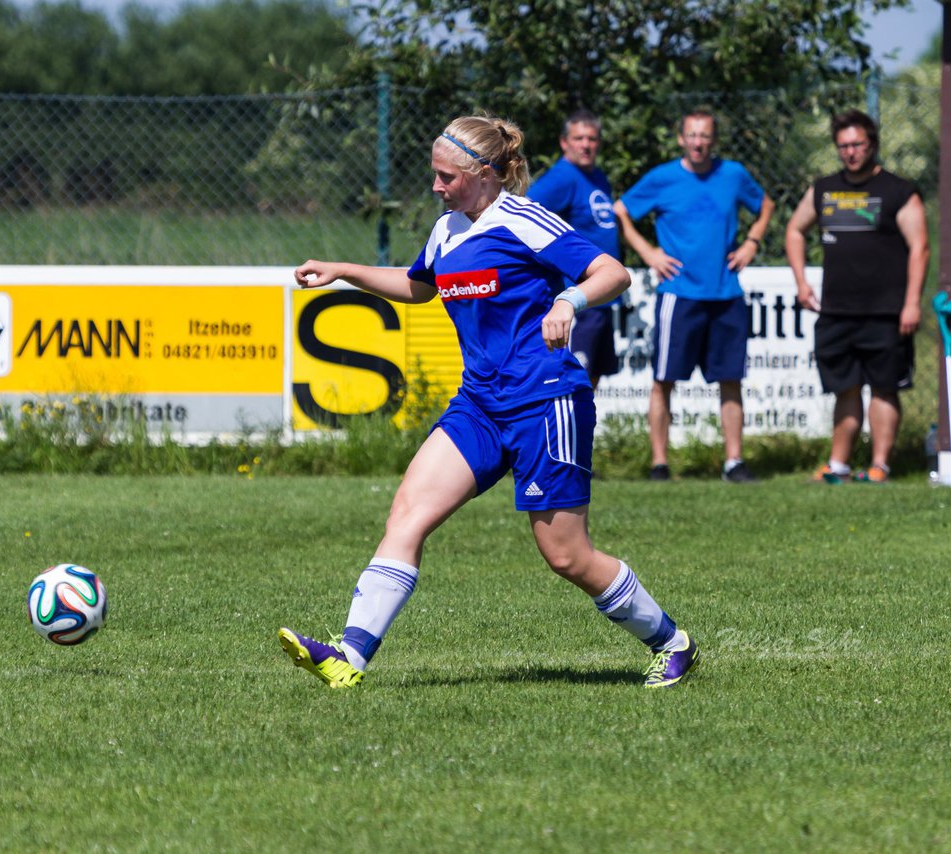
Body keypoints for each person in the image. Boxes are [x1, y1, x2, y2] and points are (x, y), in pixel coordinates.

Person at [281, 115, 699, 690]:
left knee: (567, 556)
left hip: (545, 401)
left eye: (445, 177)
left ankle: (671, 643)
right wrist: (344, 272)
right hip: (479, 404)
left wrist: (569, 302)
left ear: (482, 174)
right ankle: (348, 658)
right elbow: (419, 286)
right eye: (434, 175)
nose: (436, 187)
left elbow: (612, 271)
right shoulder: (447, 228)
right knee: (407, 514)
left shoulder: (523, 218)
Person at [613, 109, 774, 483]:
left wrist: (751, 242)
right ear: (681, 138)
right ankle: (659, 464)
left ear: (713, 140)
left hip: (726, 292)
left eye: (705, 136)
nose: (698, 142)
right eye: (692, 135)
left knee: (730, 378)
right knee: (664, 380)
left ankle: (734, 462)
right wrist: (649, 253)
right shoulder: (663, 177)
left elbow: (765, 206)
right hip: (679, 295)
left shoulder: (732, 174)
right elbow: (621, 211)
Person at [784, 109, 929, 484]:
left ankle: (880, 466)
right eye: (844, 145)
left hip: (886, 310)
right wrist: (801, 281)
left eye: (858, 144)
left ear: (872, 145)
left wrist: (911, 302)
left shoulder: (899, 191)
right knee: (844, 389)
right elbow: (795, 230)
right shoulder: (824, 189)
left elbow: (920, 248)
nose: (851, 152)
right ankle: (839, 465)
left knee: (884, 389)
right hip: (836, 310)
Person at [527, 109, 622, 389]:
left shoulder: (597, 177)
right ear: (564, 142)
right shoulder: (562, 178)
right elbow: (525, 219)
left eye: (591, 139)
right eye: (578, 138)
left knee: (592, 377)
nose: (586, 144)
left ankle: (581, 433)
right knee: (572, 378)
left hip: (600, 295)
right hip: (576, 296)